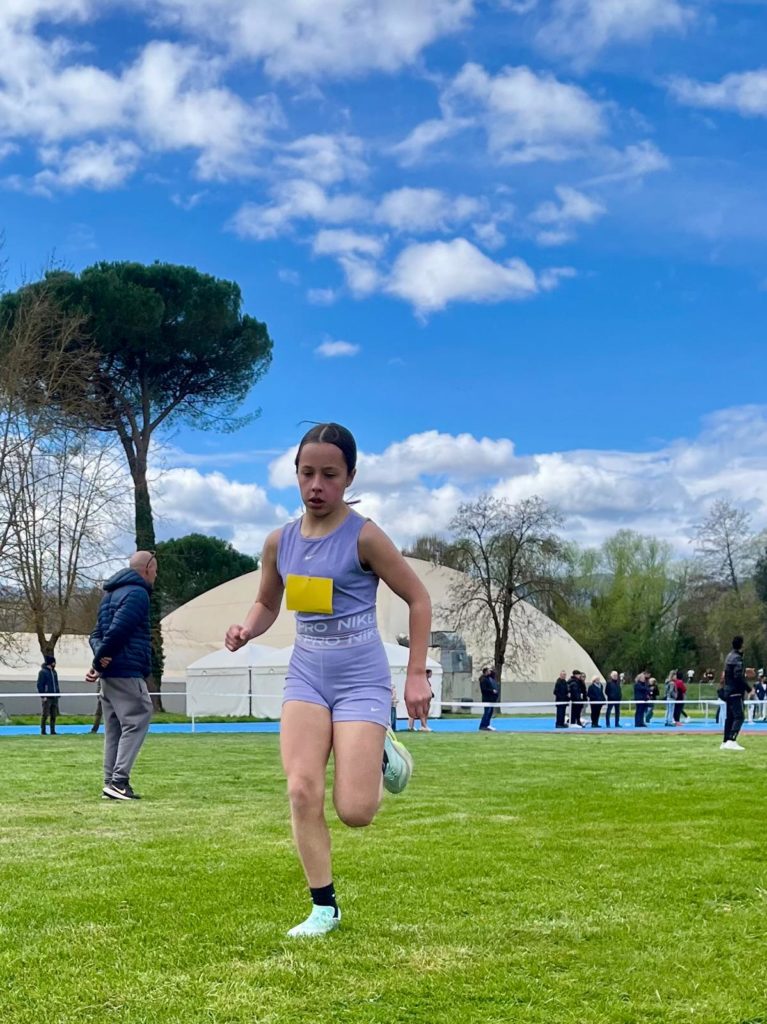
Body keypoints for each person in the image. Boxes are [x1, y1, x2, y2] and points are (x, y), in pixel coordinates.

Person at [224, 422, 431, 938]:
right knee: (301, 790)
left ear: (350, 477)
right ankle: (324, 908)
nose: (316, 485)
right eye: (307, 473)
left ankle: (381, 749)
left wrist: (415, 674)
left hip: (360, 678)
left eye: (330, 475)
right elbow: (267, 601)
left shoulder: (365, 536)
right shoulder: (280, 542)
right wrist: (247, 628)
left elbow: (418, 598)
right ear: (295, 473)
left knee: (356, 812)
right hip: (307, 677)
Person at [86, 551, 156, 801]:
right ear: (147, 569)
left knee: (114, 728)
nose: (155, 576)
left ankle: (110, 782)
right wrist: (100, 658)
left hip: (109, 674)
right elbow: (120, 629)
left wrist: (99, 660)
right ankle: (119, 781)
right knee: (138, 718)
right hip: (127, 669)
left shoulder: (109, 596)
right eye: (156, 571)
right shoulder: (138, 594)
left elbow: (95, 634)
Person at [721, 636, 754, 751]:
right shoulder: (737, 658)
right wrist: (749, 689)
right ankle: (732, 740)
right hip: (735, 691)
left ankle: (725, 741)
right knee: (739, 716)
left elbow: (730, 673)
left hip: (728, 691)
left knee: (730, 717)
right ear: (741, 645)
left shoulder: (729, 656)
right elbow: (738, 676)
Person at [37, 654, 60, 736]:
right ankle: (43, 731)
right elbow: (40, 685)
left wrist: (58, 693)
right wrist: (43, 696)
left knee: (53, 715)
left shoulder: (54, 672)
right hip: (47, 697)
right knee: (45, 714)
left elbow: (56, 684)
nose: (55, 664)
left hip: (54, 697)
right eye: (54, 662)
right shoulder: (43, 672)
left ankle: (52, 731)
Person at [478, 666, 499, 731]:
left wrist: (492, 670)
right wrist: (492, 691)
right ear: (486, 672)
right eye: (489, 671)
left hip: (491, 699)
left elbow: (493, 674)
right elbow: (484, 689)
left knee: (490, 713)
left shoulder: (489, 678)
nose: (490, 672)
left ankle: (487, 725)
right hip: (487, 699)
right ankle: (483, 725)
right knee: (487, 712)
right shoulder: (483, 679)